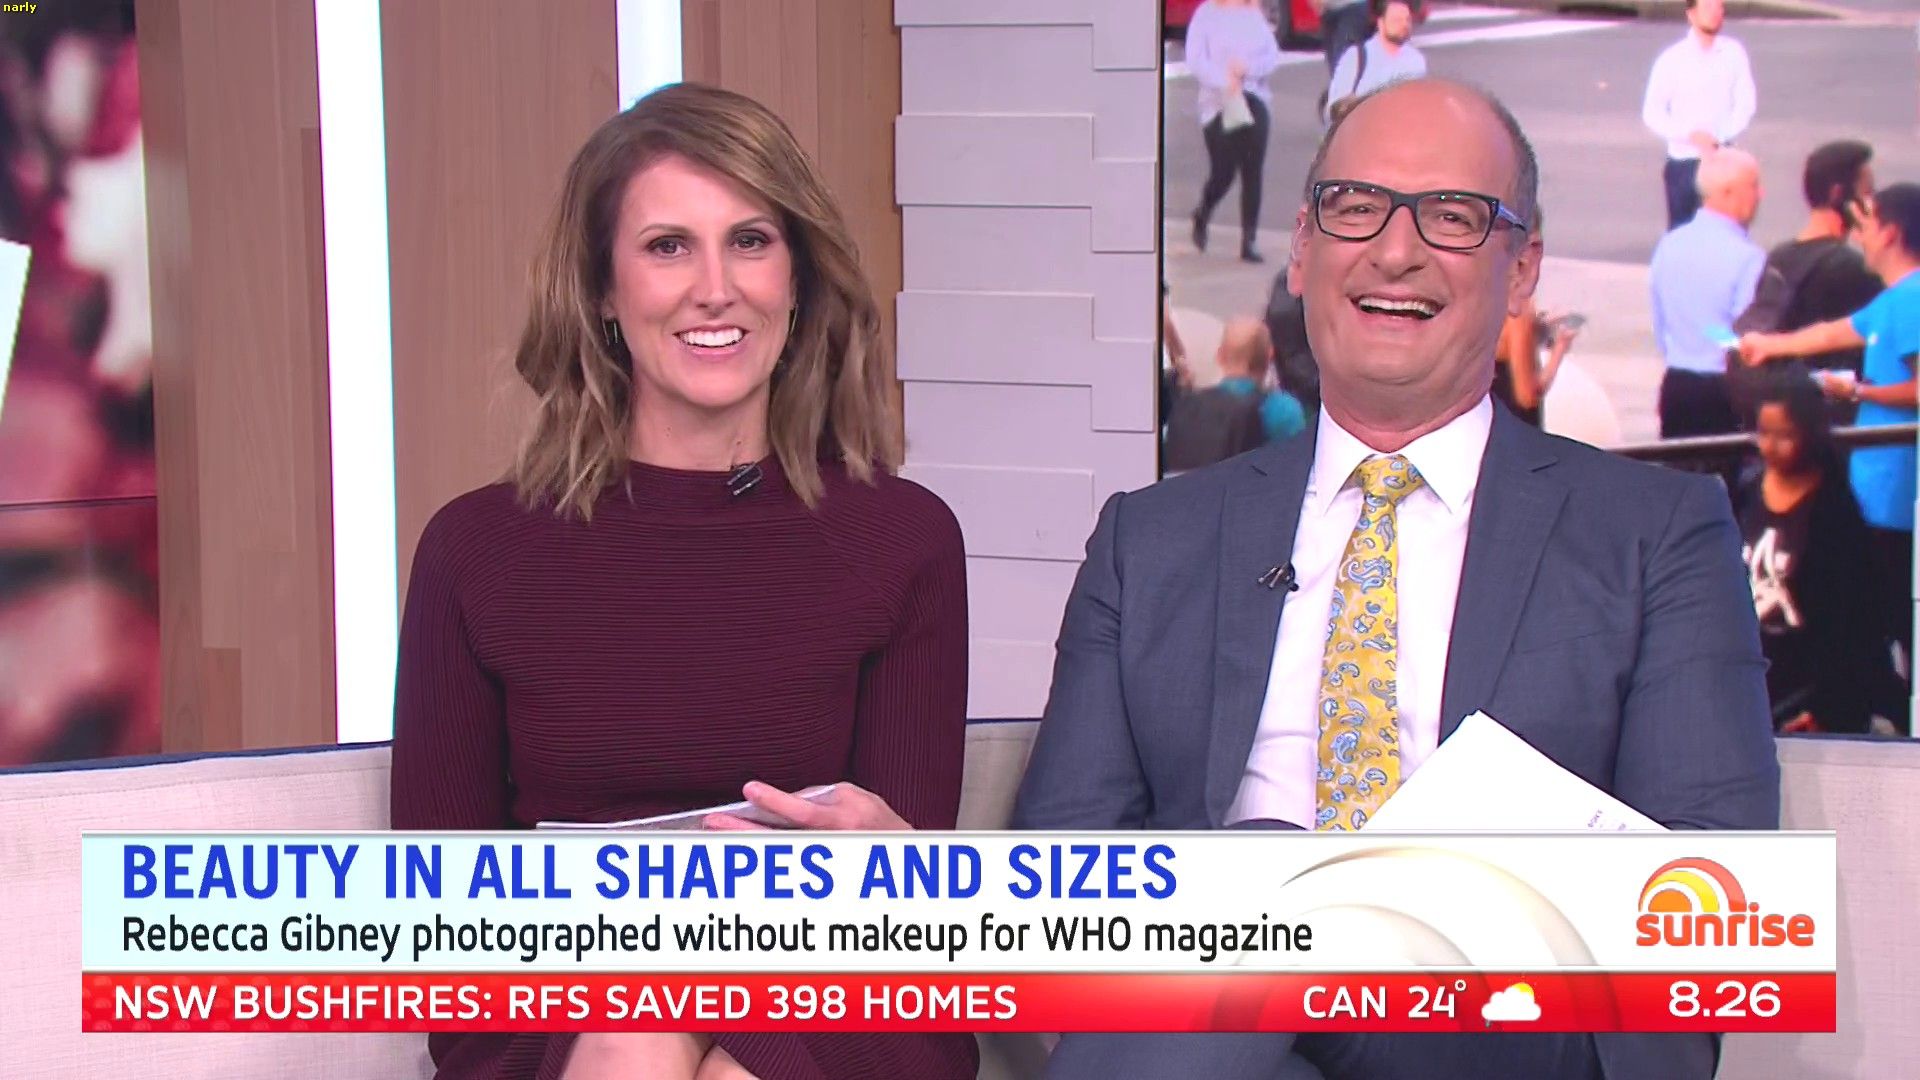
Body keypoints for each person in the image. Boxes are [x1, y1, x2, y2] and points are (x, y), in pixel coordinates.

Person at [1015, 78, 1776, 1080]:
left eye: (1452, 216)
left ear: (1521, 271)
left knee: (1260, 889)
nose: (1395, 250)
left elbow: (1702, 937)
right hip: (1204, 1038)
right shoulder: (1148, 541)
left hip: (1494, 1035)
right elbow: (1055, 909)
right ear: (1301, 248)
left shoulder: (1656, 533)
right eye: (1356, 206)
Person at [389, 83, 976, 1080]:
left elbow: (908, 936)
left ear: (798, 278)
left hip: (841, 995)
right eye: (668, 247)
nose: (716, 288)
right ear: (602, 292)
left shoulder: (902, 538)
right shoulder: (474, 551)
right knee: (639, 1026)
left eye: (750, 241)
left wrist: (905, 868)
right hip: (568, 1010)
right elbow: (441, 930)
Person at [1740, 182, 1920, 717]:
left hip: (1895, 497)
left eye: (1866, 224)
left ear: (1890, 232)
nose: (1858, 235)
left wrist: (1857, 392)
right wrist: (1770, 345)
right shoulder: (1894, 300)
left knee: (1886, 617)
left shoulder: (1912, 300)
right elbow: (1831, 334)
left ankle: (1884, 714)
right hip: (1873, 492)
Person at [1734, 379, 1888, 735]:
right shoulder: (1745, 492)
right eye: (1764, 433)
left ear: (1809, 435)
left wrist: (1829, 708)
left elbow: (1854, 623)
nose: (1770, 446)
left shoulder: (1834, 511)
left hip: (1808, 687)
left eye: (1784, 435)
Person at [1731, 140, 1882, 424]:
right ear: (1839, 194)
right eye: (1867, 192)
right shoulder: (1849, 267)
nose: (1873, 204)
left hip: (1785, 412)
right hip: (1835, 415)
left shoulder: (1780, 256)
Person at [1648, 148, 1765, 438]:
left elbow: (1661, 322)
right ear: (1726, 193)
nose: (1760, 195)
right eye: (1753, 186)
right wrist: (1715, 338)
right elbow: (1744, 339)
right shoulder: (1748, 258)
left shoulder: (1670, 245)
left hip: (1677, 386)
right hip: (1725, 393)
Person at [1640, 0, 1756, 231]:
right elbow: (1652, 111)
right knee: (1682, 231)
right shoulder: (1672, 59)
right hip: (1684, 162)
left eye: (1719, 7)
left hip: (1722, 159)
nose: (1716, 13)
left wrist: (1719, 137)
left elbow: (1746, 104)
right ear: (1691, 14)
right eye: (1708, 7)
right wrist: (1690, 135)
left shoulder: (1733, 53)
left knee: (1725, 230)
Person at [1186, 0, 1284, 263]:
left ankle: (1249, 240)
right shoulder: (1206, 14)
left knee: (1253, 169)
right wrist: (1224, 80)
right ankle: (1202, 213)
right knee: (1223, 172)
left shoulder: (1254, 14)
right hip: (1217, 103)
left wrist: (1248, 70)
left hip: (1253, 96)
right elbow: (1195, 59)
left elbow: (1271, 56)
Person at [1163, 318, 1306, 472]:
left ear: (1220, 356)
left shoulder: (1188, 408)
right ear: (1270, 356)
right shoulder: (1284, 411)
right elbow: (1296, 468)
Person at [1491, 211, 1578, 428]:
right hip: (1514, 434)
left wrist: (1537, 328)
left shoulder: (1480, 298)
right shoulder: (1517, 310)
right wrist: (1560, 349)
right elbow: (1527, 395)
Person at [1321, 0, 1425, 127]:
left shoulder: (1416, 60)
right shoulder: (1356, 56)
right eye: (1397, 20)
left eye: (1407, 20)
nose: (1404, 25)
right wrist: (1350, 106)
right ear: (1380, 22)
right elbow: (1333, 110)